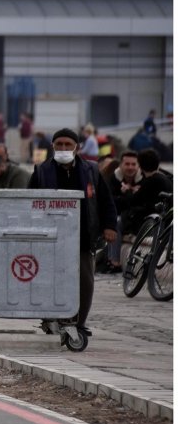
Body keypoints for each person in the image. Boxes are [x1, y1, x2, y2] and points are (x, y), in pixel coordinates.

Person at [28, 128, 117, 337]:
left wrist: (110, 226)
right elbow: (28, 201)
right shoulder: (41, 171)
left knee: (84, 281)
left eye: (68, 145)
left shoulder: (91, 171)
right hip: (50, 237)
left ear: (77, 147)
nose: (63, 149)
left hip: (83, 236)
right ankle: (53, 318)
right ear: (53, 146)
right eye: (59, 144)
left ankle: (78, 322)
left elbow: (105, 201)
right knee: (50, 279)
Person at [105, 150, 142, 273]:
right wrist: (127, 195)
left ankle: (113, 261)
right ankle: (113, 261)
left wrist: (126, 194)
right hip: (120, 215)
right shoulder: (114, 179)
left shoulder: (143, 179)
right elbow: (110, 201)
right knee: (114, 222)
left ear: (138, 166)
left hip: (137, 217)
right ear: (121, 165)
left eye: (133, 164)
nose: (130, 167)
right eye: (127, 164)